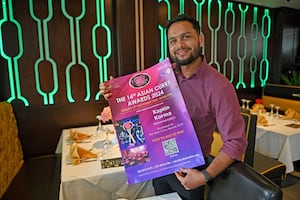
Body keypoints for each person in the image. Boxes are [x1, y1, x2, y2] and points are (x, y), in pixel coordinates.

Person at [99, 14, 247, 200]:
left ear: (200, 39)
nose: (179, 45)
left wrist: (205, 176)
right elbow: (141, 108)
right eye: (173, 41)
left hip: (191, 171)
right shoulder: (163, 75)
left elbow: (236, 142)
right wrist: (116, 93)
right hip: (159, 165)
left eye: (186, 37)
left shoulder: (219, 86)